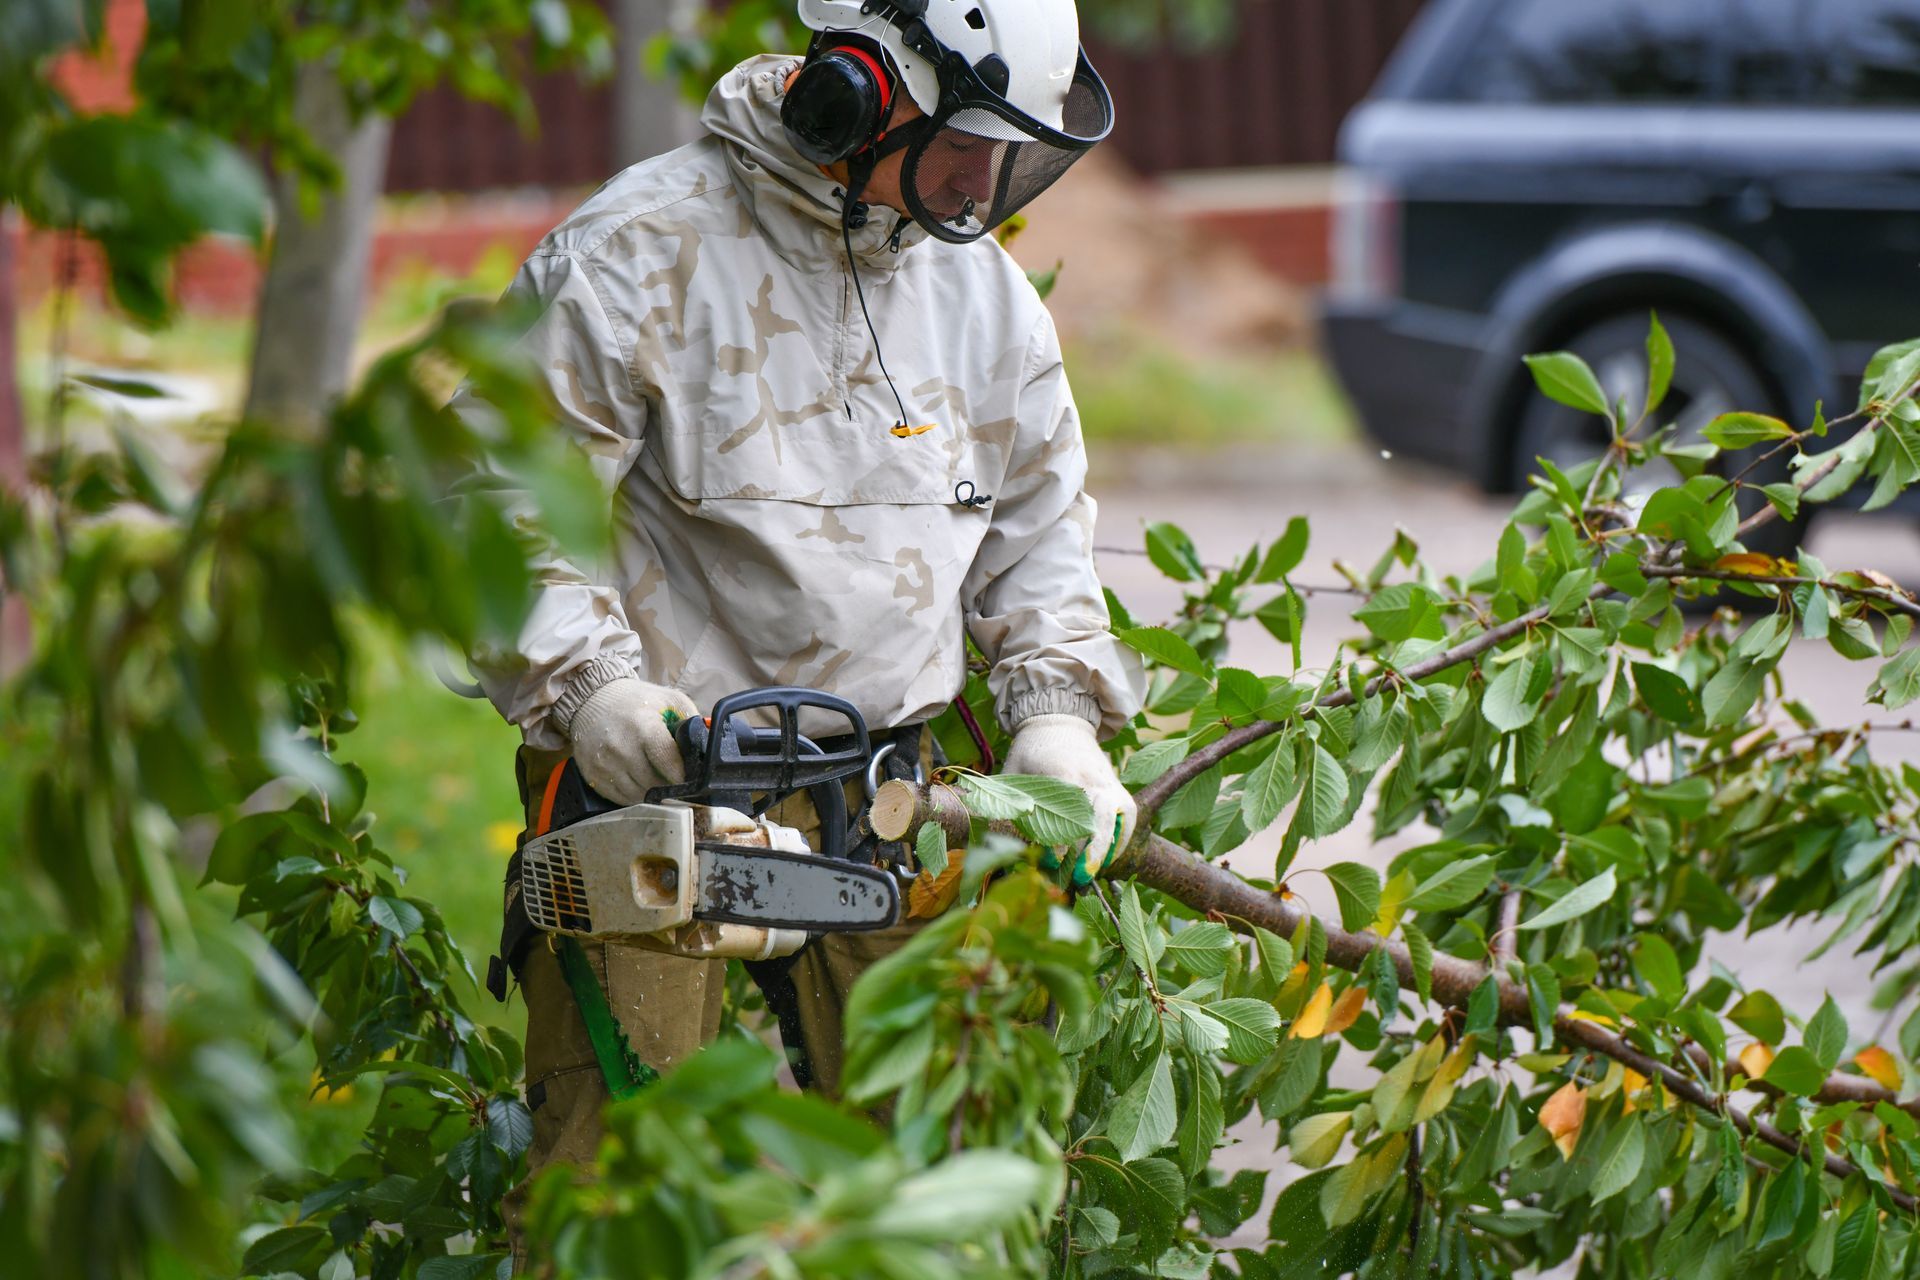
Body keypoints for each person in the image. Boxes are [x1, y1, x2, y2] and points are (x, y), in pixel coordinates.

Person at [453, 0, 1145, 1256]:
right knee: (613, 1206)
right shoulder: (638, 251)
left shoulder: (982, 300)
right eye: (961, 144)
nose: (979, 184)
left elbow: (1038, 528)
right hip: (659, 799)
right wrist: (589, 690)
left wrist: (1054, 720)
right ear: (858, 88)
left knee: (933, 1193)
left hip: (894, 800)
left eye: (1003, 155)